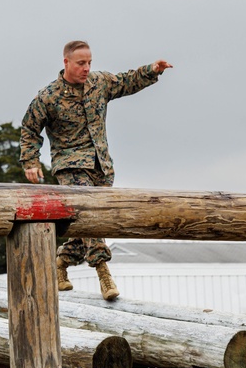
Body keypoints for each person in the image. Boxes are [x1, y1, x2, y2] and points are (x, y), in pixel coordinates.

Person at [20, 40, 172, 300]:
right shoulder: (49, 96)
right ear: (66, 62)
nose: (86, 68)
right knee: (89, 214)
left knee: (87, 225)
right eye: (81, 63)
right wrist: (30, 162)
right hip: (70, 165)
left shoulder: (99, 83)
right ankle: (103, 273)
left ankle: (60, 264)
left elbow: (126, 81)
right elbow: (29, 129)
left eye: (89, 62)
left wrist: (152, 70)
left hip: (101, 166)